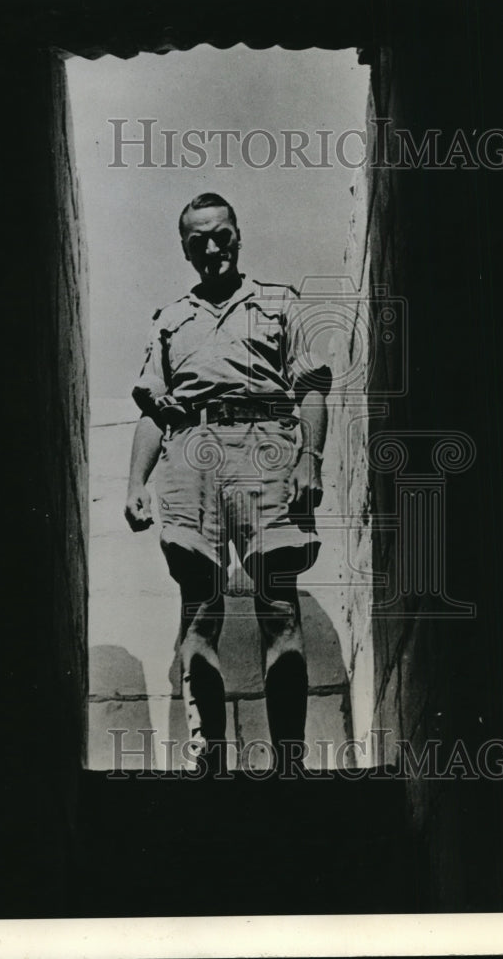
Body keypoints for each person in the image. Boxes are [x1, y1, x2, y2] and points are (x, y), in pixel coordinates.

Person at [124, 192, 330, 773]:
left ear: (237, 236)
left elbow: (312, 386)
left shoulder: (279, 303)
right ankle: (208, 758)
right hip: (191, 453)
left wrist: (309, 457)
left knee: (278, 606)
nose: (212, 247)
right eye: (198, 240)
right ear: (185, 248)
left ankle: (289, 760)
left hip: (267, 446)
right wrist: (135, 482)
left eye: (222, 235)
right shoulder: (170, 320)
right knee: (199, 609)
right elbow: (152, 411)